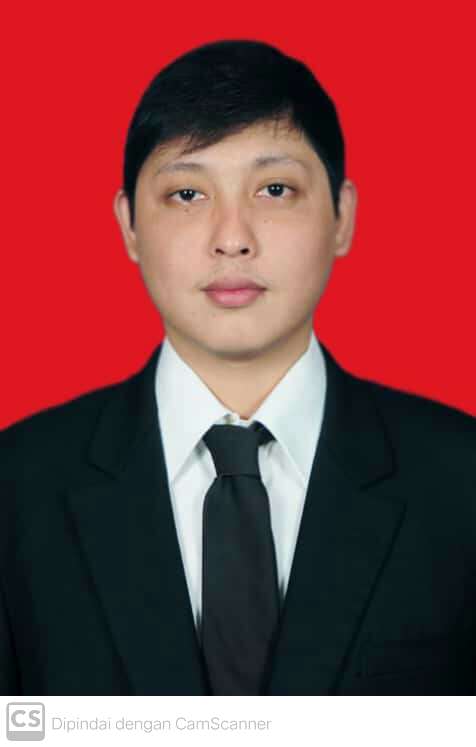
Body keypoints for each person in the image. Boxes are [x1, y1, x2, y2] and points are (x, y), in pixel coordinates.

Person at [1, 39, 475, 697]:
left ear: (342, 216)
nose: (232, 237)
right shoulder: (17, 488)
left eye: (275, 189)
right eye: (187, 193)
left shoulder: (461, 480)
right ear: (129, 225)